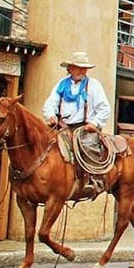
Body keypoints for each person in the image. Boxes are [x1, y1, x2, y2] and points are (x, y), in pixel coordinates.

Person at [42, 51, 111, 198]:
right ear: (71, 69)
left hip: (85, 127)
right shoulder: (61, 85)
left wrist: (94, 123)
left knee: (88, 146)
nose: (82, 71)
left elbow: (104, 108)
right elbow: (50, 103)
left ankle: (95, 181)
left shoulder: (93, 85)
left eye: (84, 68)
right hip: (63, 126)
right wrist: (51, 115)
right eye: (79, 67)